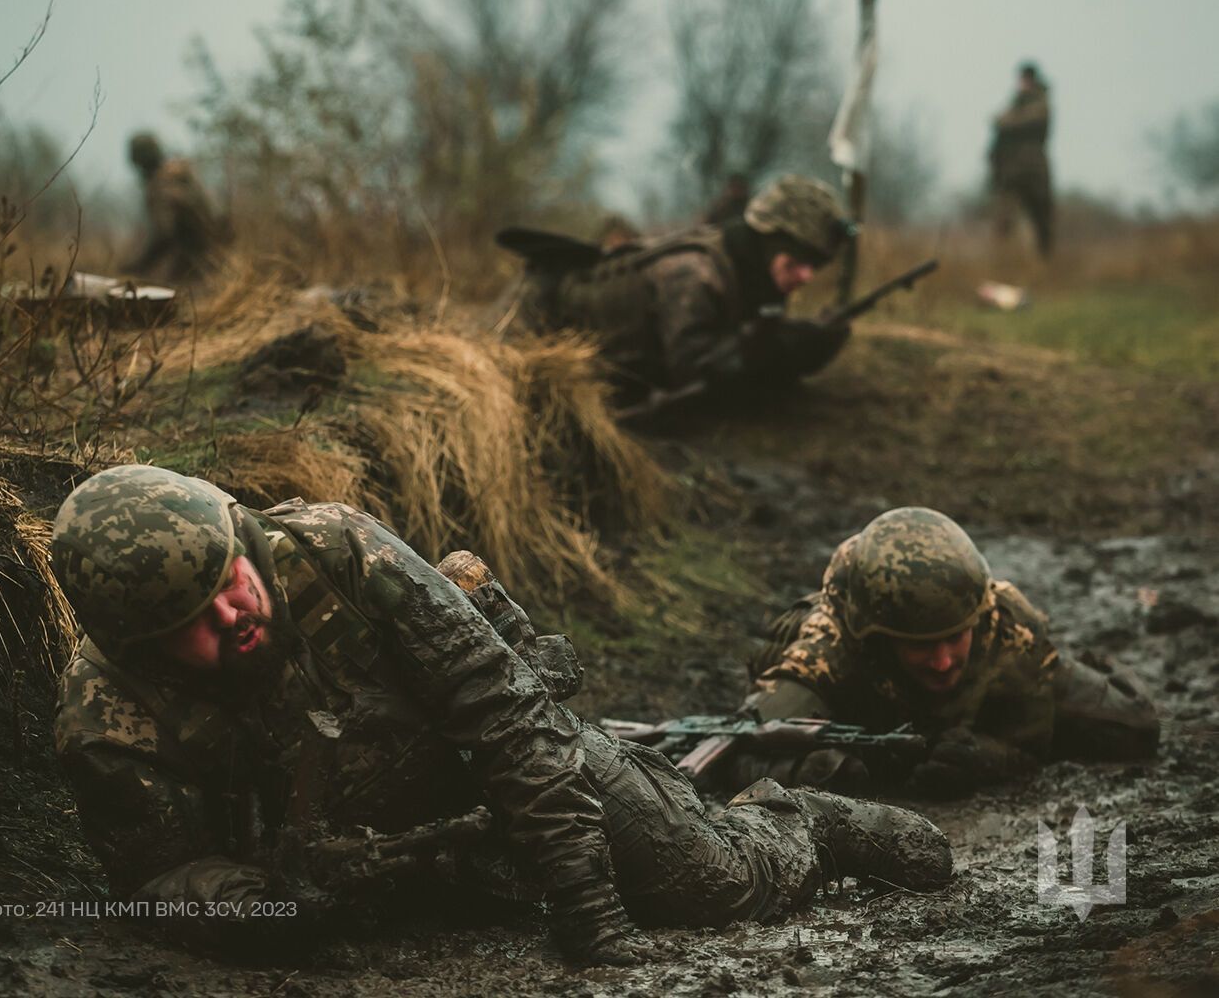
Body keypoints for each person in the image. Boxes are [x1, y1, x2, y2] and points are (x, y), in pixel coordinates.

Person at [51, 466, 953, 964]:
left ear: (242, 545)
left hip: (497, 755)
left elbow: (506, 712)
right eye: (191, 627)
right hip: (372, 862)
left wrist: (588, 905)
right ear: (138, 648)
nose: (232, 616)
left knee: (713, 886)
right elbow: (156, 878)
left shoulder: (335, 552)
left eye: (228, 587)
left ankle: (801, 823)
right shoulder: (107, 720)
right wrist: (261, 908)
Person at [741, 507, 1159, 797]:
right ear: (880, 638)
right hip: (846, 715)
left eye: (954, 637)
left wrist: (992, 758)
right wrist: (826, 772)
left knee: (1131, 730)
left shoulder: (1005, 627)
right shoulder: (826, 650)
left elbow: (1039, 737)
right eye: (920, 645)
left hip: (990, 693)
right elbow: (737, 751)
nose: (942, 662)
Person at [517, 175, 854, 409]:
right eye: (795, 261)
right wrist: (782, 344)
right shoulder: (694, 275)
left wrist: (804, 344)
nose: (806, 276)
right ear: (767, 246)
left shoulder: (744, 268)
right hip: (531, 322)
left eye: (815, 265)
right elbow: (693, 377)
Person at [123, 132, 221, 285]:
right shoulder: (181, 173)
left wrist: (139, 265)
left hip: (194, 260)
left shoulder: (161, 185)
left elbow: (164, 234)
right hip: (212, 254)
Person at [989, 62, 1054, 258]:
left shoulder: (1040, 102)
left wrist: (1008, 120)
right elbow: (998, 122)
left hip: (1034, 169)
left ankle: (1046, 259)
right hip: (1012, 169)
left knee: (1041, 217)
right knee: (1004, 217)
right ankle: (1001, 259)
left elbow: (1011, 121)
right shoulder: (1018, 102)